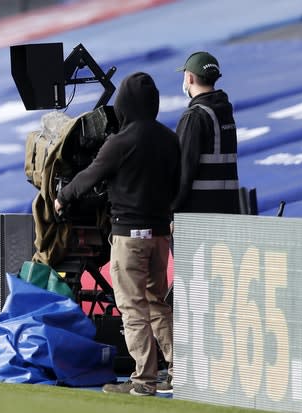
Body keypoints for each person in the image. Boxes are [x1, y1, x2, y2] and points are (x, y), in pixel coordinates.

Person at [54, 72, 180, 396]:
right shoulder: (169, 138)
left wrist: (62, 196)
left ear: (123, 103)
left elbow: (89, 176)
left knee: (133, 306)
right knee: (157, 303)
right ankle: (180, 371)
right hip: (161, 236)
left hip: (129, 237)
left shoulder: (120, 141)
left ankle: (143, 381)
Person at [172, 51, 240, 214]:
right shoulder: (224, 111)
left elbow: (183, 169)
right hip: (228, 207)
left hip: (198, 212)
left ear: (189, 78)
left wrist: (170, 209)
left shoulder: (194, 116)